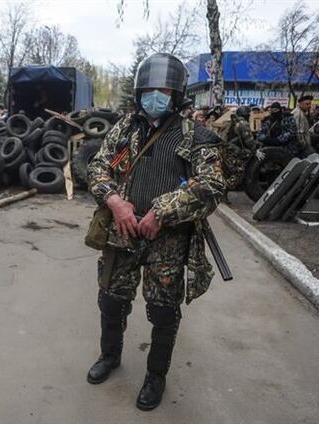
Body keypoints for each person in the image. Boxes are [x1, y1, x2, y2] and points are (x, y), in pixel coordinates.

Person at [86, 52, 225, 411]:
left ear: (177, 94)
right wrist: (115, 201)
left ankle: (155, 375)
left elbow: (212, 185)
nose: (155, 96)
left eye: (163, 90)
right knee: (111, 299)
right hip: (123, 230)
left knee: (163, 310)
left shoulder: (197, 135)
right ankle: (110, 355)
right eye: (148, 90)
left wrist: (162, 212)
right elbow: (99, 167)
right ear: (138, 92)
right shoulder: (126, 128)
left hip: (169, 238)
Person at [223, 106, 256, 192]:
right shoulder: (243, 123)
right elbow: (249, 141)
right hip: (235, 151)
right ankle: (225, 190)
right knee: (239, 172)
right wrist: (255, 151)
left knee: (227, 172)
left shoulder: (230, 122)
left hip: (226, 149)